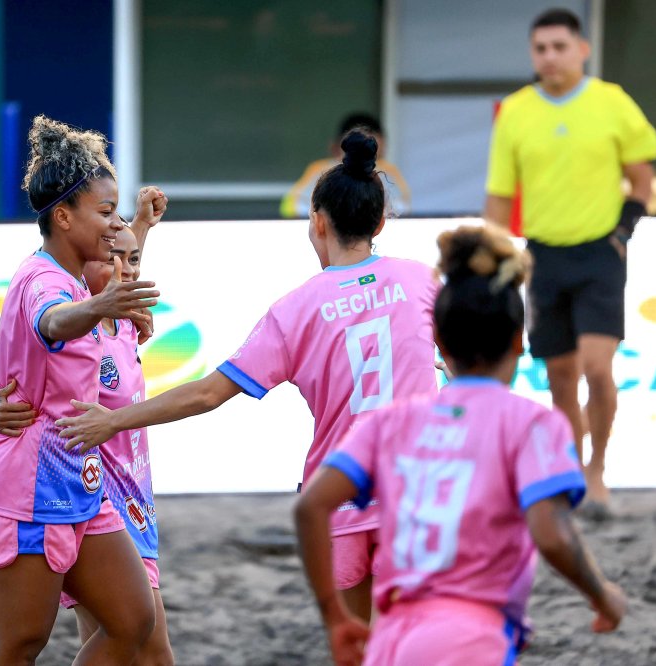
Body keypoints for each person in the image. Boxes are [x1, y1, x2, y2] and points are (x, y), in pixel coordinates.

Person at [57, 129, 439, 623]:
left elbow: (208, 394)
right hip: (418, 493)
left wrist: (114, 421)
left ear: (317, 222)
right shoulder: (424, 282)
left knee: (359, 648)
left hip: (339, 502)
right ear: (380, 222)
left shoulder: (295, 310)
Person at [295, 224, 627, 666]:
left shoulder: (391, 423)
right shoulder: (531, 424)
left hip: (392, 640)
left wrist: (335, 617)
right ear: (517, 341)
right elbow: (551, 533)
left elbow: (309, 508)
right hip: (474, 637)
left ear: (443, 343)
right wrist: (602, 595)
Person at [0, 115, 161, 665]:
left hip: (80, 483)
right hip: (26, 490)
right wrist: (101, 308)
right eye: (104, 211)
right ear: (64, 216)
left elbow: (116, 265)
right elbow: (53, 322)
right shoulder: (43, 279)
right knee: (17, 647)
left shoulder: (79, 276)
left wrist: (138, 232)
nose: (114, 224)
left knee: (135, 622)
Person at [483, 8, 656, 509]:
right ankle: (570, 471)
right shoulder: (516, 111)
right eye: (540, 49)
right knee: (559, 377)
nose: (550, 57)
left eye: (560, 46)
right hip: (542, 256)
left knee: (598, 368)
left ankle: (598, 470)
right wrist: (492, 254)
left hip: (601, 251)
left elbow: (642, 176)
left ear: (582, 49)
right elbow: (499, 195)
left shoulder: (611, 102)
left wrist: (624, 230)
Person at [281, 113, 411, 219]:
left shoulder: (389, 173)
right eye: (353, 154)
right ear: (335, 149)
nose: (364, 163)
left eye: (375, 157)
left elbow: (402, 211)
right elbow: (294, 208)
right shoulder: (321, 171)